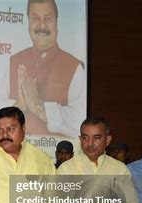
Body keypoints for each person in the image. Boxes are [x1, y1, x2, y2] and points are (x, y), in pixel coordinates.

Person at [9, 0, 86, 137]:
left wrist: (38, 107)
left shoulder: (74, 67)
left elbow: (80, 123)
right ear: (28, 22)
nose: (42, 25)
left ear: (57, 22)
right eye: (35, 19)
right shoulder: (14, 62)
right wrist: (20, 104)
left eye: (48, 19)